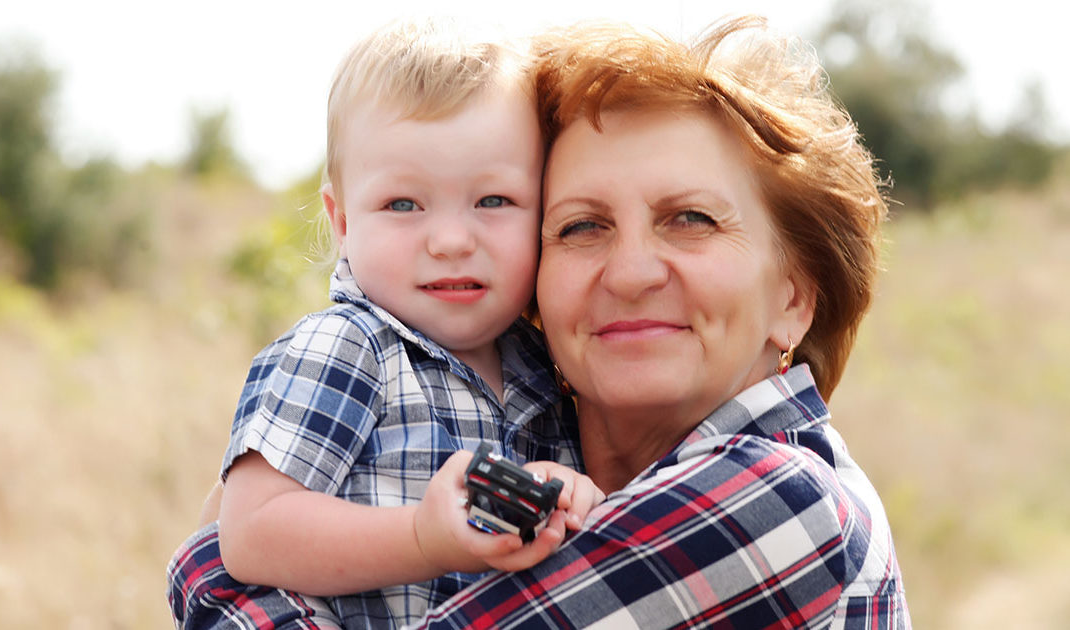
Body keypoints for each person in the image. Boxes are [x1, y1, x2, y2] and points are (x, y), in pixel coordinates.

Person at [170, 15, 911, 628]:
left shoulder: (779, 503)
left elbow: (237, 545)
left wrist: (208, 561)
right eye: (582, 227)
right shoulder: (507, 405)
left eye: (691, 219)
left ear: (794, 296)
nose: (629, 272)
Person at [168, 17, 604, 630]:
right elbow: (251, 531)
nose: (452, 239)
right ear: (343, 222)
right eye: (403, 204)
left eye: (494, 201)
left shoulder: (544, 364)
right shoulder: (347, 348)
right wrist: (422, 538)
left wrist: (564, 494)